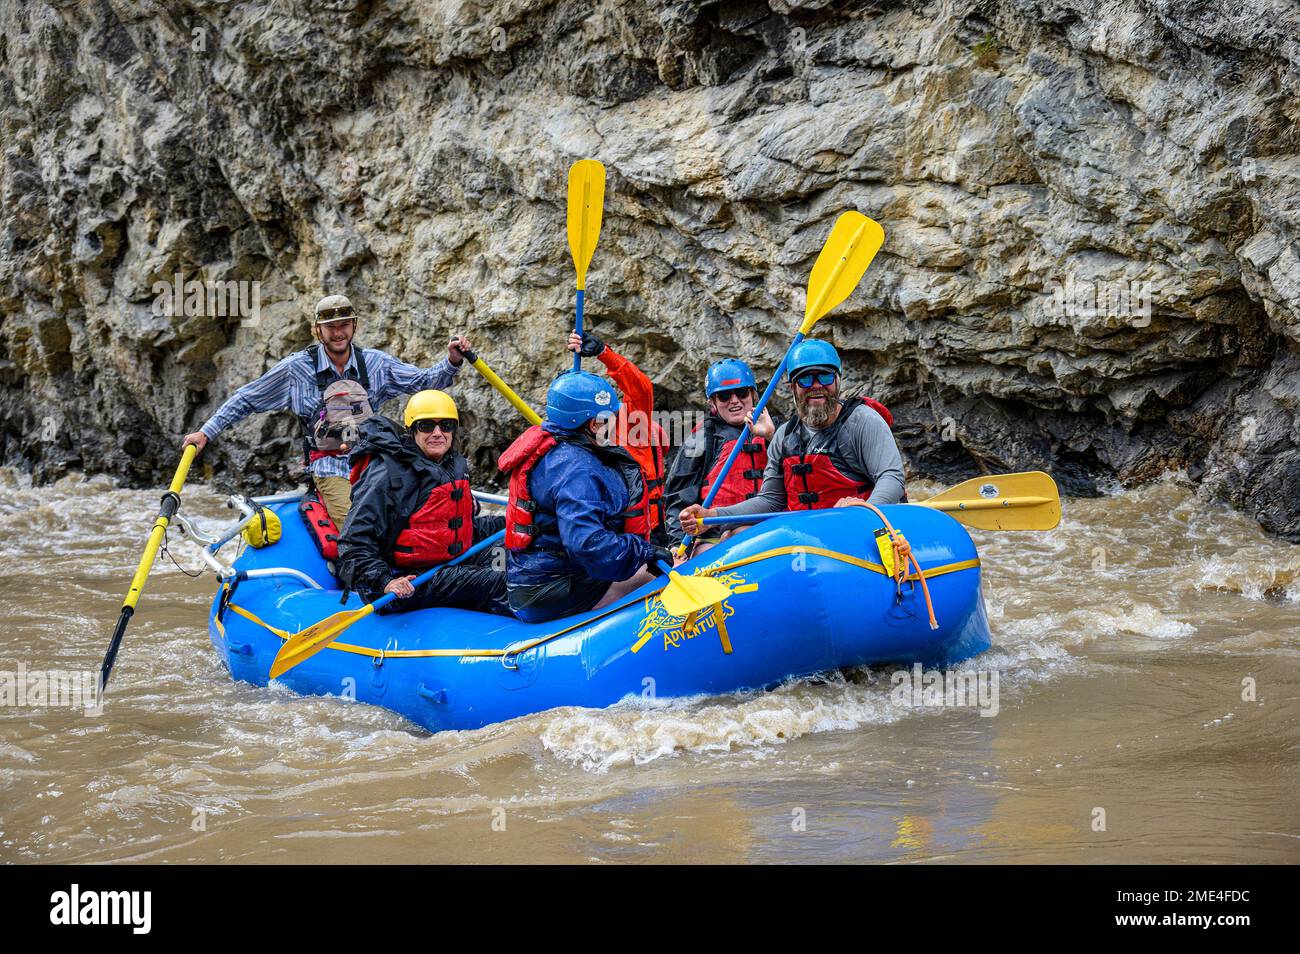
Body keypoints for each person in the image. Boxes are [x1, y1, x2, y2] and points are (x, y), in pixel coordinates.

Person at [181, 294, 473, 528]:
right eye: (330, 327)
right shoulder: (296, 369)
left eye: (344, 325)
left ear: (354, 326)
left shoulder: (376, 363)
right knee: (359, 525)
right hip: (329, 466)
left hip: (374, 462)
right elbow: (247, 398)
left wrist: (452, 361)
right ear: (317, 330)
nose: (338, 333)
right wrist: (207, 432)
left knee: (405, 517)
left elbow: (423, 382)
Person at [678, 340, 906, 537]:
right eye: (805, 380)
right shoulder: (784, 437)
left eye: (825, 376)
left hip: (857, 530)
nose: (816, 386)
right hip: (807, 537)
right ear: (793, 388)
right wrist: (712, 516)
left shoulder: (862, 421)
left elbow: (891, 476)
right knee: (734, 534)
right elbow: (770, 500)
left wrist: (866, 513)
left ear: (837, 381)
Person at [497, 371, 670, 623]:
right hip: (554, 591)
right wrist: (645, 552)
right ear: (593, 424)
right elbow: (586, 543)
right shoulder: (578, 469)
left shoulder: (556, 450)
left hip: (535, 579)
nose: (614, 425)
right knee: (663, 576)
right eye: (610, 418)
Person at [334, 390, 509, 615]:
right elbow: (353, 542)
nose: (437, 433)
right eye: (427, 426)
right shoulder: (387, 475)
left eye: (445, 425)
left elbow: (452, 530)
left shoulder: (451, 464)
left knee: (516, 554)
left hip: (449, 561)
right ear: (412, 429)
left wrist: (508, 522)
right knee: (497, 579)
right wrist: (384, 581)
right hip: (403, 580)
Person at [662, 358, 777, 553]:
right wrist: (676, 545)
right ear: (712, 402)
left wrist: (770, 437)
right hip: (714, 536)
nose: (734, 400)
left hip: (772, 526)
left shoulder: (776, 430)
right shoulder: (699, 438)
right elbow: (678, 498)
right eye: (724, 396)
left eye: (742, 393)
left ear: (753, 395)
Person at [567, 330, 670, 542]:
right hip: (600, 533)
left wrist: (603, 353)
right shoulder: (570, 436)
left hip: (645, 531)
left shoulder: (631, 424)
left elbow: (641, 388)